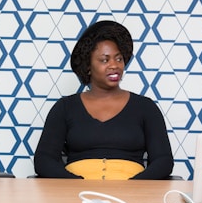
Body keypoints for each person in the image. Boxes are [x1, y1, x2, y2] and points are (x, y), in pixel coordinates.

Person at [34, 20, 174, 179]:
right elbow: (44, 160)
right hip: (76, 193)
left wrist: (134, 186)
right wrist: (75, 184)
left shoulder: (146, 107)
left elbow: (163, 160)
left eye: (119, 59)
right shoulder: (65, 107)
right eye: (105, 60)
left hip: (131, 195)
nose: (114, 65)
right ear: (88, 66)